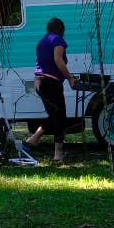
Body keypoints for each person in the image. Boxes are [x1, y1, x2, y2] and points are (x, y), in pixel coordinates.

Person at [26, 16, 74, 163]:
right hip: (50, 82)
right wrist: (70, 77)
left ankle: (34, 139)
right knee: (60, 118)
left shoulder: (42, 41)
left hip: (39, 82)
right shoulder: (58, 40)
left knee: (55, 114)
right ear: (61, 29)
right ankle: (58, 154)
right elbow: (58, 60)